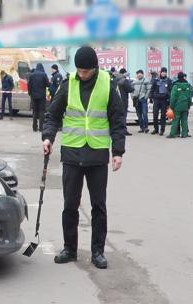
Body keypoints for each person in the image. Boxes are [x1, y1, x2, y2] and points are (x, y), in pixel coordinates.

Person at [42, 46, 126, 269]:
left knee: (99, 206)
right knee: (70, 204)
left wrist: (118, 152)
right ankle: (70, 248)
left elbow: (117, 120)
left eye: (85, 71)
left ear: (94, 68)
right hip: (72, 152)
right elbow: (53, 113)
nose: (81, 74)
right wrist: (48, 137)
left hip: (97, 154)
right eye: (79, 70)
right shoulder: (68, 82)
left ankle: (97, 251)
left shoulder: (108, 83)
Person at [167, 72, 193, 139]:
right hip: (185, 106)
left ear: (178, 77)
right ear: (183, 77)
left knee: (175, 120)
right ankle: (184, 134)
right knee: (184, 120)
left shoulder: (176, 86)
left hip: (177, 106)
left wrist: (171, 106)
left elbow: (173, 97)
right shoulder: (188, 85)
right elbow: (190, 96)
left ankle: (172, 134)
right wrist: (189, 105)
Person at [148, 67, 173, 136]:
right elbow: (152, 89)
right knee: (155, 115)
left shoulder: (169, 81)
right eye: (163, 72)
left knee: (163, 116)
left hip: (164, 100)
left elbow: (171, 91)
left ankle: (162, 130)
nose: (164, 73)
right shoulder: (156, 80)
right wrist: (150, 98)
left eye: (165, 72)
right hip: (156, 99)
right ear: (160, 72)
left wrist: (169, 98)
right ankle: (156, 129)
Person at [28, 63, 50, 132]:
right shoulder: (44, 74)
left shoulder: (32, 75)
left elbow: (29, 85)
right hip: (42, 96)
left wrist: (30, 93)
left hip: (34, 96)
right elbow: (48, 84)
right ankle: (41, 128)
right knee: (42, 112)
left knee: (34, 112)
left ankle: (34, 127)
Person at [113, 68, 134, 136]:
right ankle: (124, 130)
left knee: (117, 116)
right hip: (123, 100)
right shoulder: (124, 80)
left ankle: (117, 130)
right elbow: (130, 89)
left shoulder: (115, 79)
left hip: (115, 100)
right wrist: (131, 85)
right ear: (125, 73)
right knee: (123, 116)